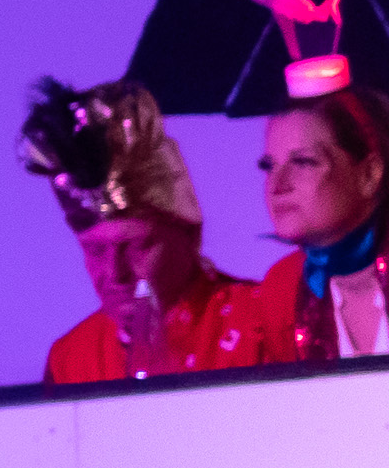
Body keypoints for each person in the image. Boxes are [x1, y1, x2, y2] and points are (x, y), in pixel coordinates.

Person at [17, 75, 256, 381]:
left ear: (186, 232)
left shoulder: (261, 319)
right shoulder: (71, 359)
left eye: (137, 246)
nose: (116, 273)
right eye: (95, 250)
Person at [226, 87, 389, 366]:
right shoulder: (281, 289)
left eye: (303, 162)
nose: (277, 186)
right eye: (269, 166)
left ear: (369, 174)